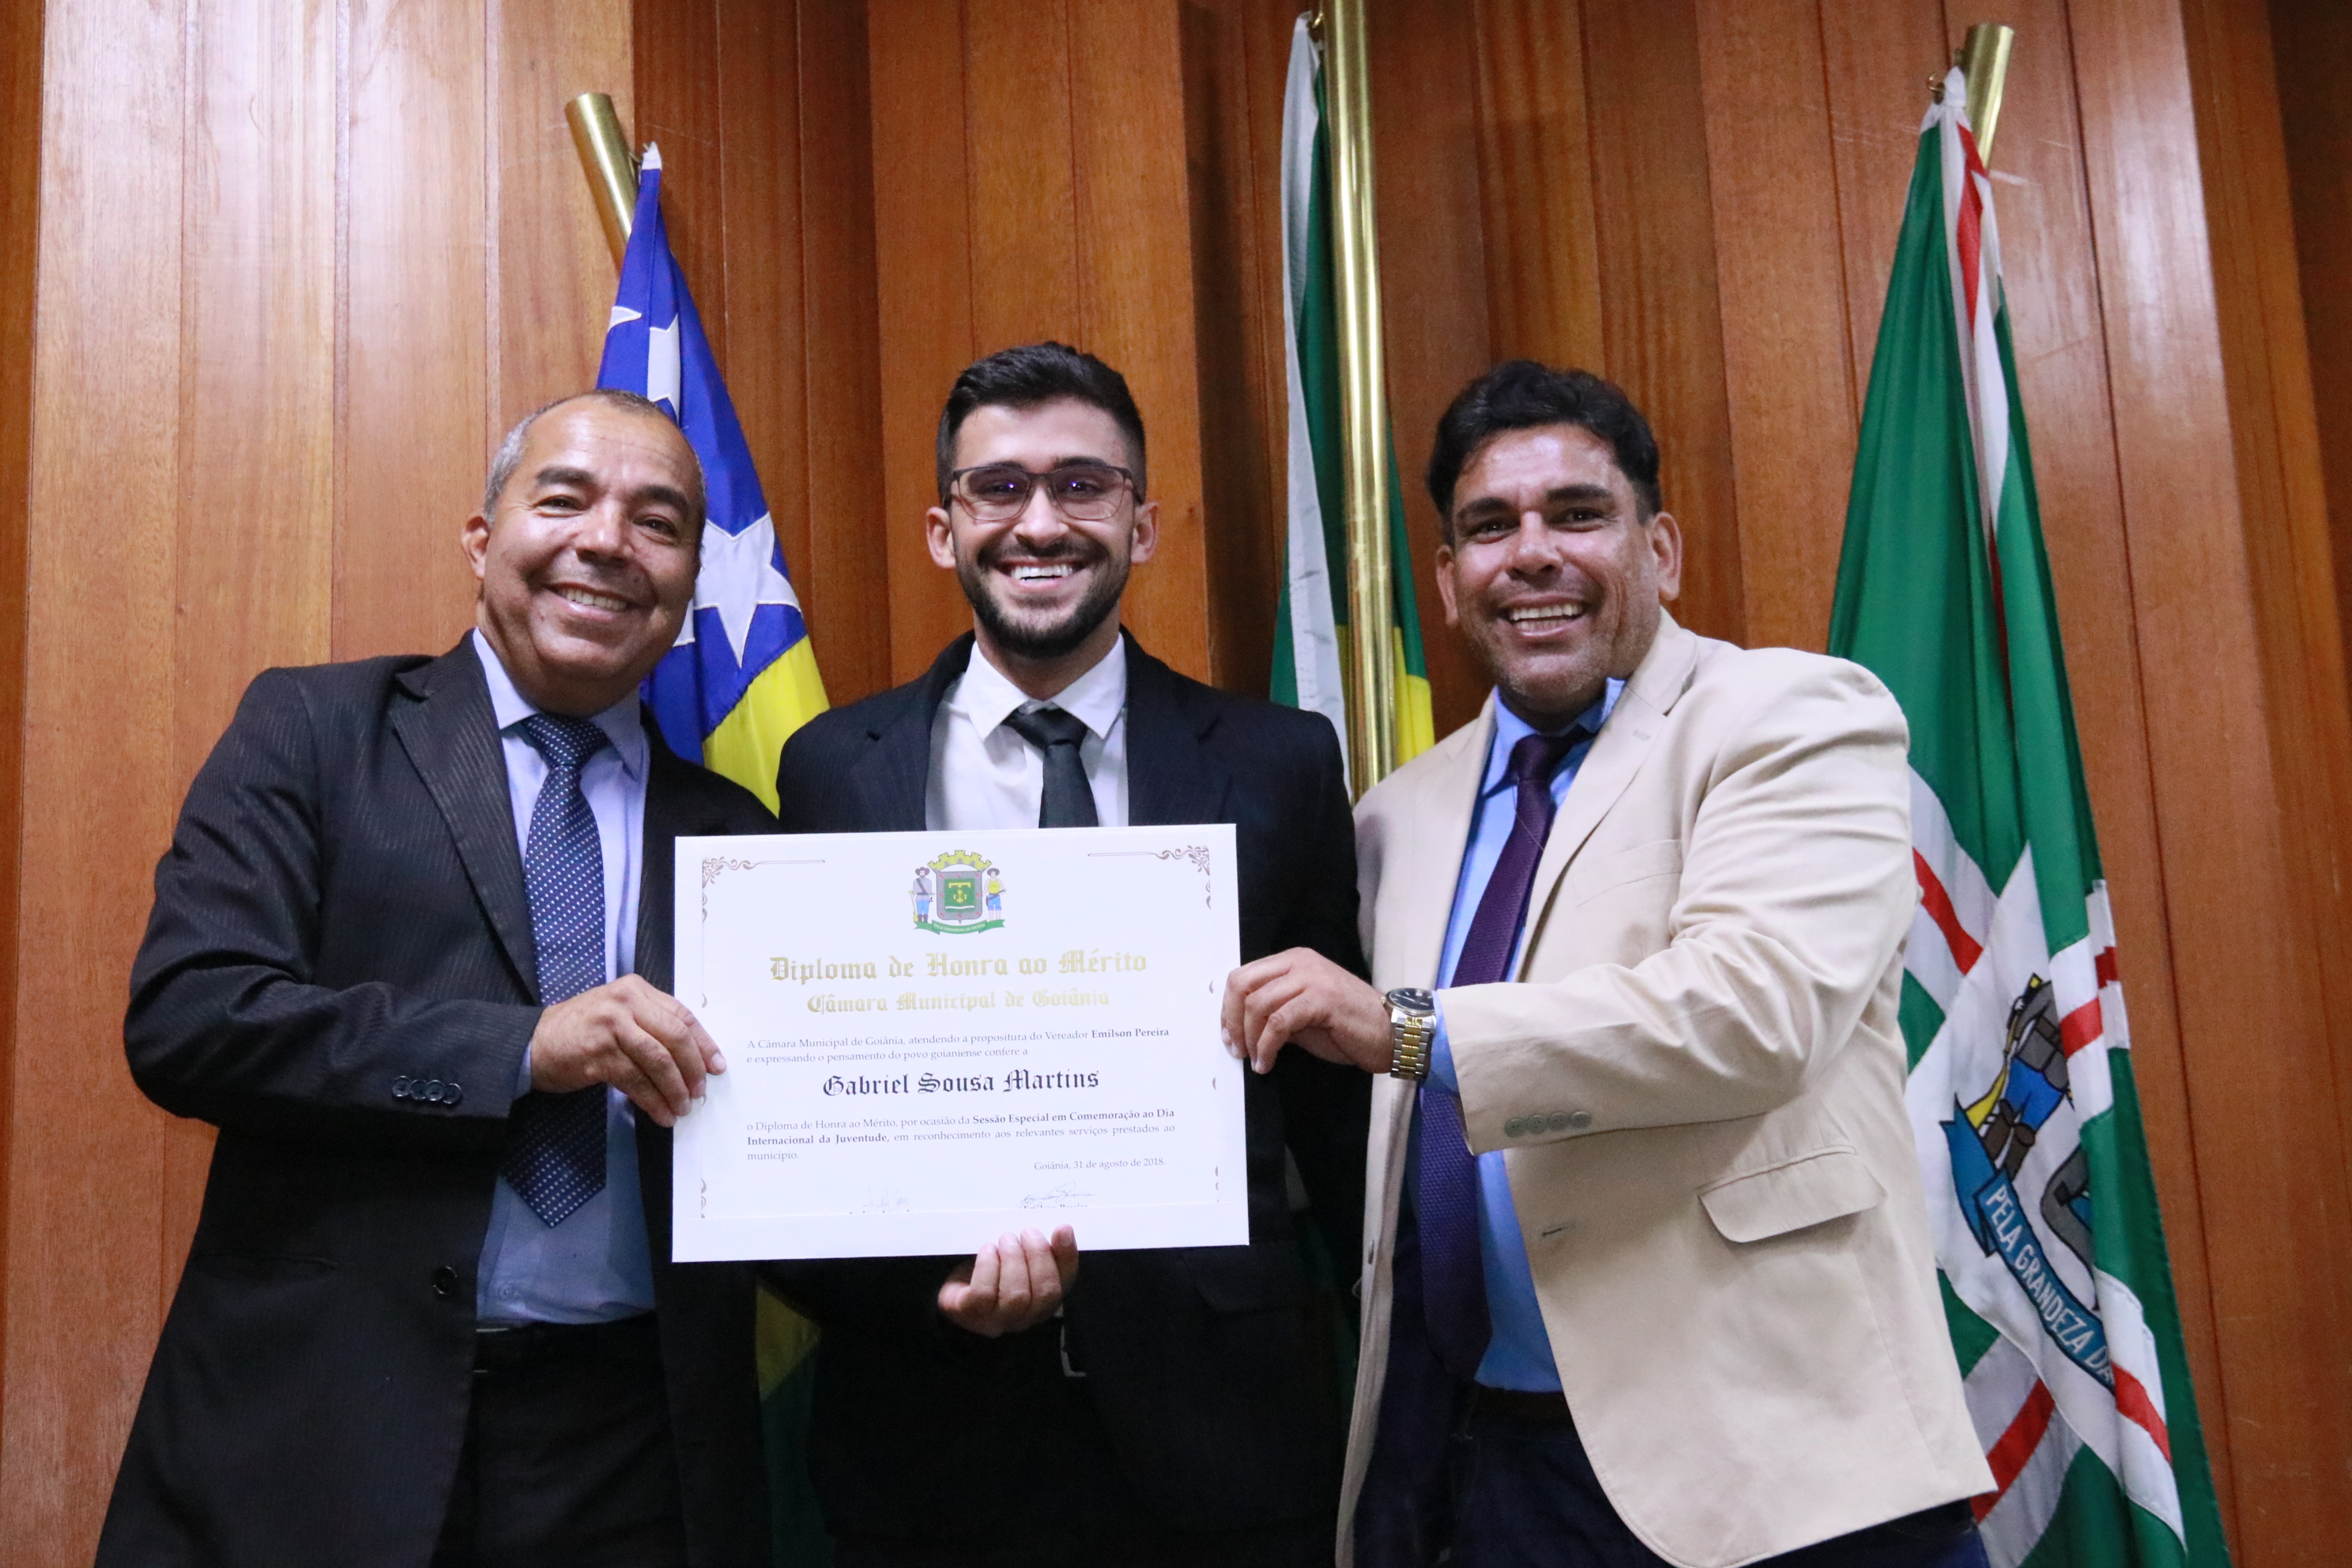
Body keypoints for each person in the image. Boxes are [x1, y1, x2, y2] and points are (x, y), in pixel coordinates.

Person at [1224, 363, 1996, 1568]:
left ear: (1661, 550)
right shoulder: (1392, 817)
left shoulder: (1790, 717)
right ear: (1449, 580)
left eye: (1577, 515)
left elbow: (1754, 1013)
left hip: (1776, 1468)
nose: (1531, 555)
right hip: (1489, 1464)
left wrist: (1410, 1031)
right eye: (1491, 527)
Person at [100, 390, 775, 1567]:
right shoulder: (317, 730)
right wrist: (520, 1050)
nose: (608, 540)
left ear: (687, 584)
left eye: (658, 522)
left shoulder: (742, 839)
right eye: (563, 499)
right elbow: (191, 1017)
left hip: (633, 1450)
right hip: (324, 1424)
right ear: (481, 539)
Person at [769, 341, 1370, 1567]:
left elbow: (1337, 1124)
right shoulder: (832, 768)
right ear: (943, 529)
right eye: (998, 488)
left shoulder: (1281, 763)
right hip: (927, 1442)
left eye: (1082, 486)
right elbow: (807, 1107)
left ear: (1141, 526)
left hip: (1226, 1437)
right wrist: (932, 1293)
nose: (1039, 523)